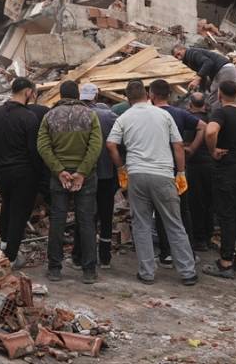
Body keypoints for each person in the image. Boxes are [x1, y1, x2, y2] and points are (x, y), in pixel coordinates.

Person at [106, 80, 197, 286]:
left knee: (141, 224)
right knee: (174, 223)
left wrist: (121, 168)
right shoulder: (163, 115)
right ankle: (187, 272)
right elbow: (178, 145)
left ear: (127, 98)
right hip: (163, 174)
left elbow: (111, 144)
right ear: (147, 94)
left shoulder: (124, 117)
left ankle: (147, 272)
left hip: (137, 174)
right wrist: (181, 172)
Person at [37, 80, 103, 283]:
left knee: (57, 220)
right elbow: (96, 146)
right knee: (86, 221)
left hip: (60, 178)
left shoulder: (50, 116)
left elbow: (43, 146)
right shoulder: (90, 115)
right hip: (86, 177)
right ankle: (89, 270)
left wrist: (59, 171)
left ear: (60, 94)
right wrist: (82, 172)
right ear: (77, 95)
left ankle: (54, 268)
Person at [0, 77, 42, 266]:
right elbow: (34, 150)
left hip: (1, 171)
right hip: (23, 172)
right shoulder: (29, 117)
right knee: (19, 212)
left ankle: (3, 244)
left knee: (7, 205)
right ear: (27, 92)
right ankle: (11, 255)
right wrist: (39, 174)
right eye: (33, 92)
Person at [203, 81, 236, 279]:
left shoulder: (221, 113)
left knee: (227, 215)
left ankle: (225, 262)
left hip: (227, 170)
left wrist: (212, 150)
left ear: (219, 95)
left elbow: (210, 131)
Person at [149, 79, 201, 256]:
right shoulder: (179, 114)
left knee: (160, 211)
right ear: (169, 95)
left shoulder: (149, 115)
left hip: (156, 168)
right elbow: (204, 127)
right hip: (177, 168)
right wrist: (192, 148)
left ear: (152, 95)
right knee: (183, 210)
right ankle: (189, 250)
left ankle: (166, 252)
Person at [70, 83, 119, 269]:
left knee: (83, 215)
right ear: (96, 97)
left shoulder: (73, 115)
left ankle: (78, 255)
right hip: (106, 172)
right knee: (106, 214)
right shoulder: (109, 116)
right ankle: (105, 257)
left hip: (81, 173)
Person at [186, 92, 215, 251]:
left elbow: (185, 144)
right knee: (209, 202)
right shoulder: (212, 119)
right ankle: (208, 236)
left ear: (190, 104)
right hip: (210, 165)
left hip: (194, 165)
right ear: (204, 104)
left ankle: (199, 238)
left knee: (195, 203)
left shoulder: (190, 121)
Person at [173, 44, 236, 108]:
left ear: (183, 49)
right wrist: (201, 91)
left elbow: (208, 63)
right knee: (227, 99)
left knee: (214, 99)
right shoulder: (189, 58)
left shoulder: (192, 53)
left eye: (179, 54)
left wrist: (197, 79)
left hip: (224, 71)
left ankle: (214, 119)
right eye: (176, 57)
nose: (179, 58)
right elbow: (203, 74)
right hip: (229, 70)